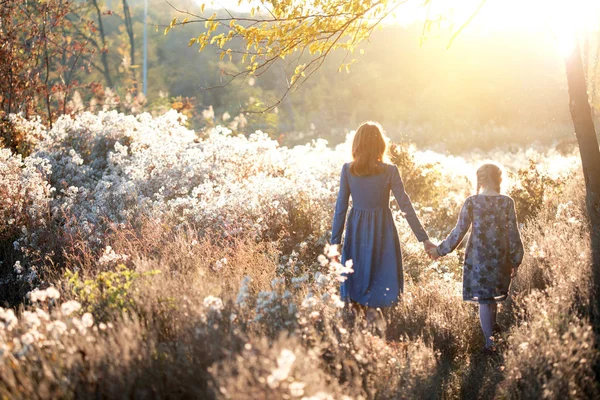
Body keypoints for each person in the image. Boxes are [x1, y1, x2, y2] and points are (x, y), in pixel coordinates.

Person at [330, 121, 435, 317]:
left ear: (357, 145)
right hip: (382, 232)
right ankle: (375, 329)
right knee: (380, 285)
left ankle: (359, 334)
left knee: (357, 281)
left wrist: (334, 244)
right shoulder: (389, 170)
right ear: (381, 144)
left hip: (356, 231)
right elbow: (406, 206)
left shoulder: (348, 170)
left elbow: (340, 209)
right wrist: (424, 239)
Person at [428, 163, 524, 352]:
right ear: (499, 179)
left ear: (479, 180)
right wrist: (515, 258)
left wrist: (440, 251)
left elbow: (459, 231)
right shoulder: (506, 202)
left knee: (486, 301)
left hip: (478, 259)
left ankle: (490, 344)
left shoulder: (472, 202)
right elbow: (513, 233)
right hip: (500, 257)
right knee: (491, 299)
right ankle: (493, 339)